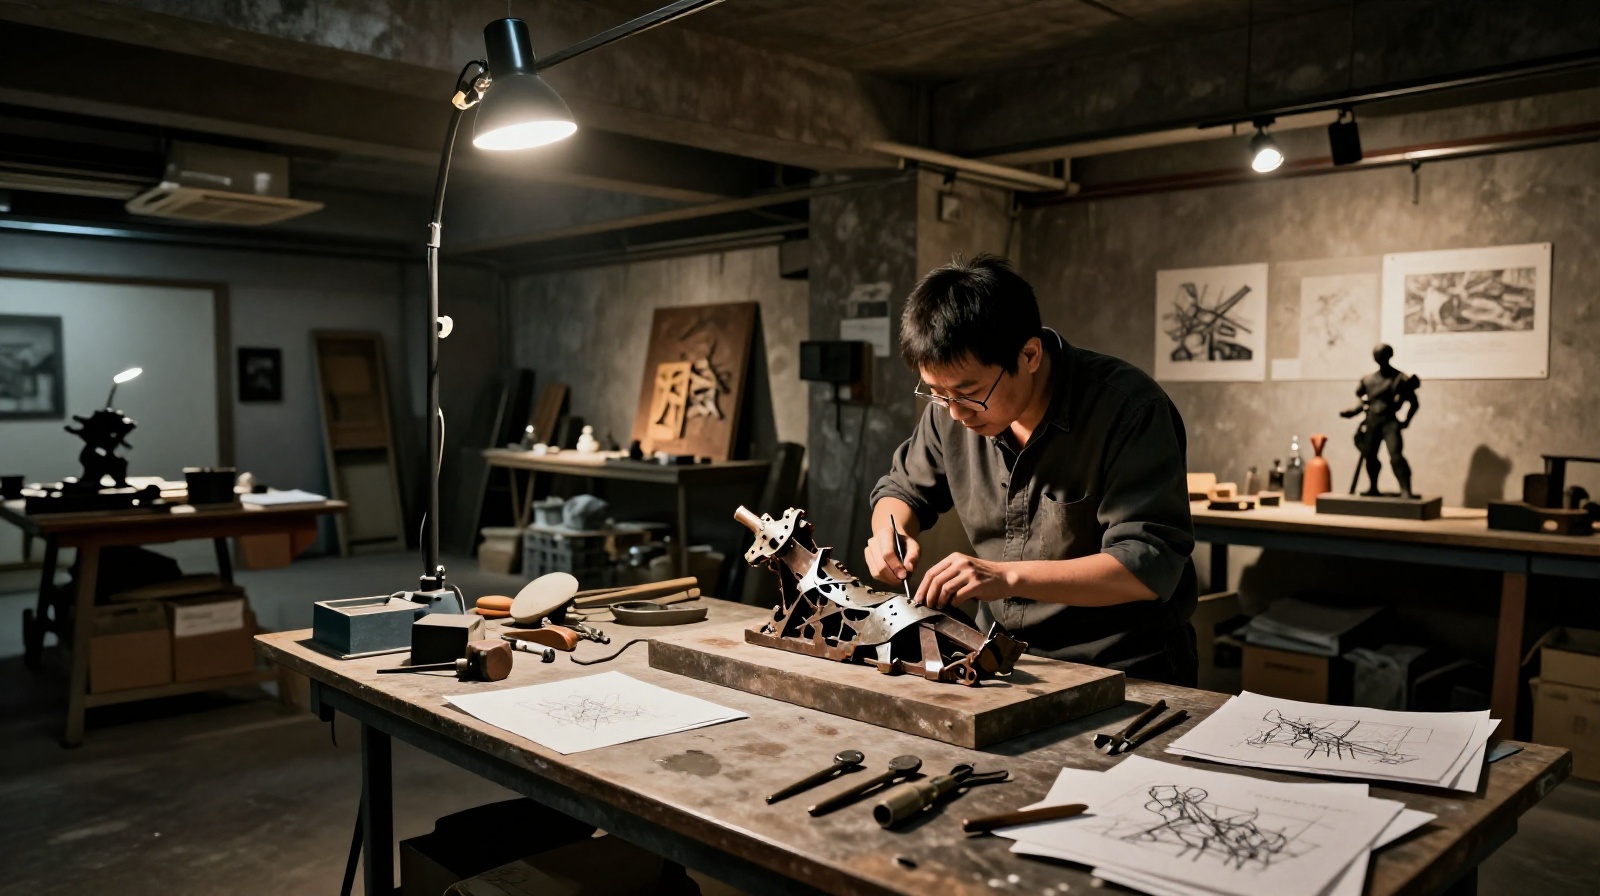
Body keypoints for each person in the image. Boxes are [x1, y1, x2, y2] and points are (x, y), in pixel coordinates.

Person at [865, 255, 1199, 685]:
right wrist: (888, 534)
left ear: (1029, 355)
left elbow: (1146, 564)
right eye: (936, 393)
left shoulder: (1129, 410)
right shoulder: (950, 410)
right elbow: (901, 490)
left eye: (969, 393)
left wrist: (1005, 577)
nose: (956, 413)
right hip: (1000, 658)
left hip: (1122, 665)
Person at [1340, 343, 1421, 498]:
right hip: (1372, 421)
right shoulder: (1368, 380)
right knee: (1370, 456)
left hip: (1389, 422)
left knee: (1396, 456)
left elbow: (1414, 402)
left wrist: (1406, 421)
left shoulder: (1399, 378)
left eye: (1382, 354)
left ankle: (1406, 490)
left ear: (1389, 356)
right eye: (1377, 355)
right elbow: (1364, 401)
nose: (1379, 358)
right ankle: (1373, 488)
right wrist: (1353, 411)